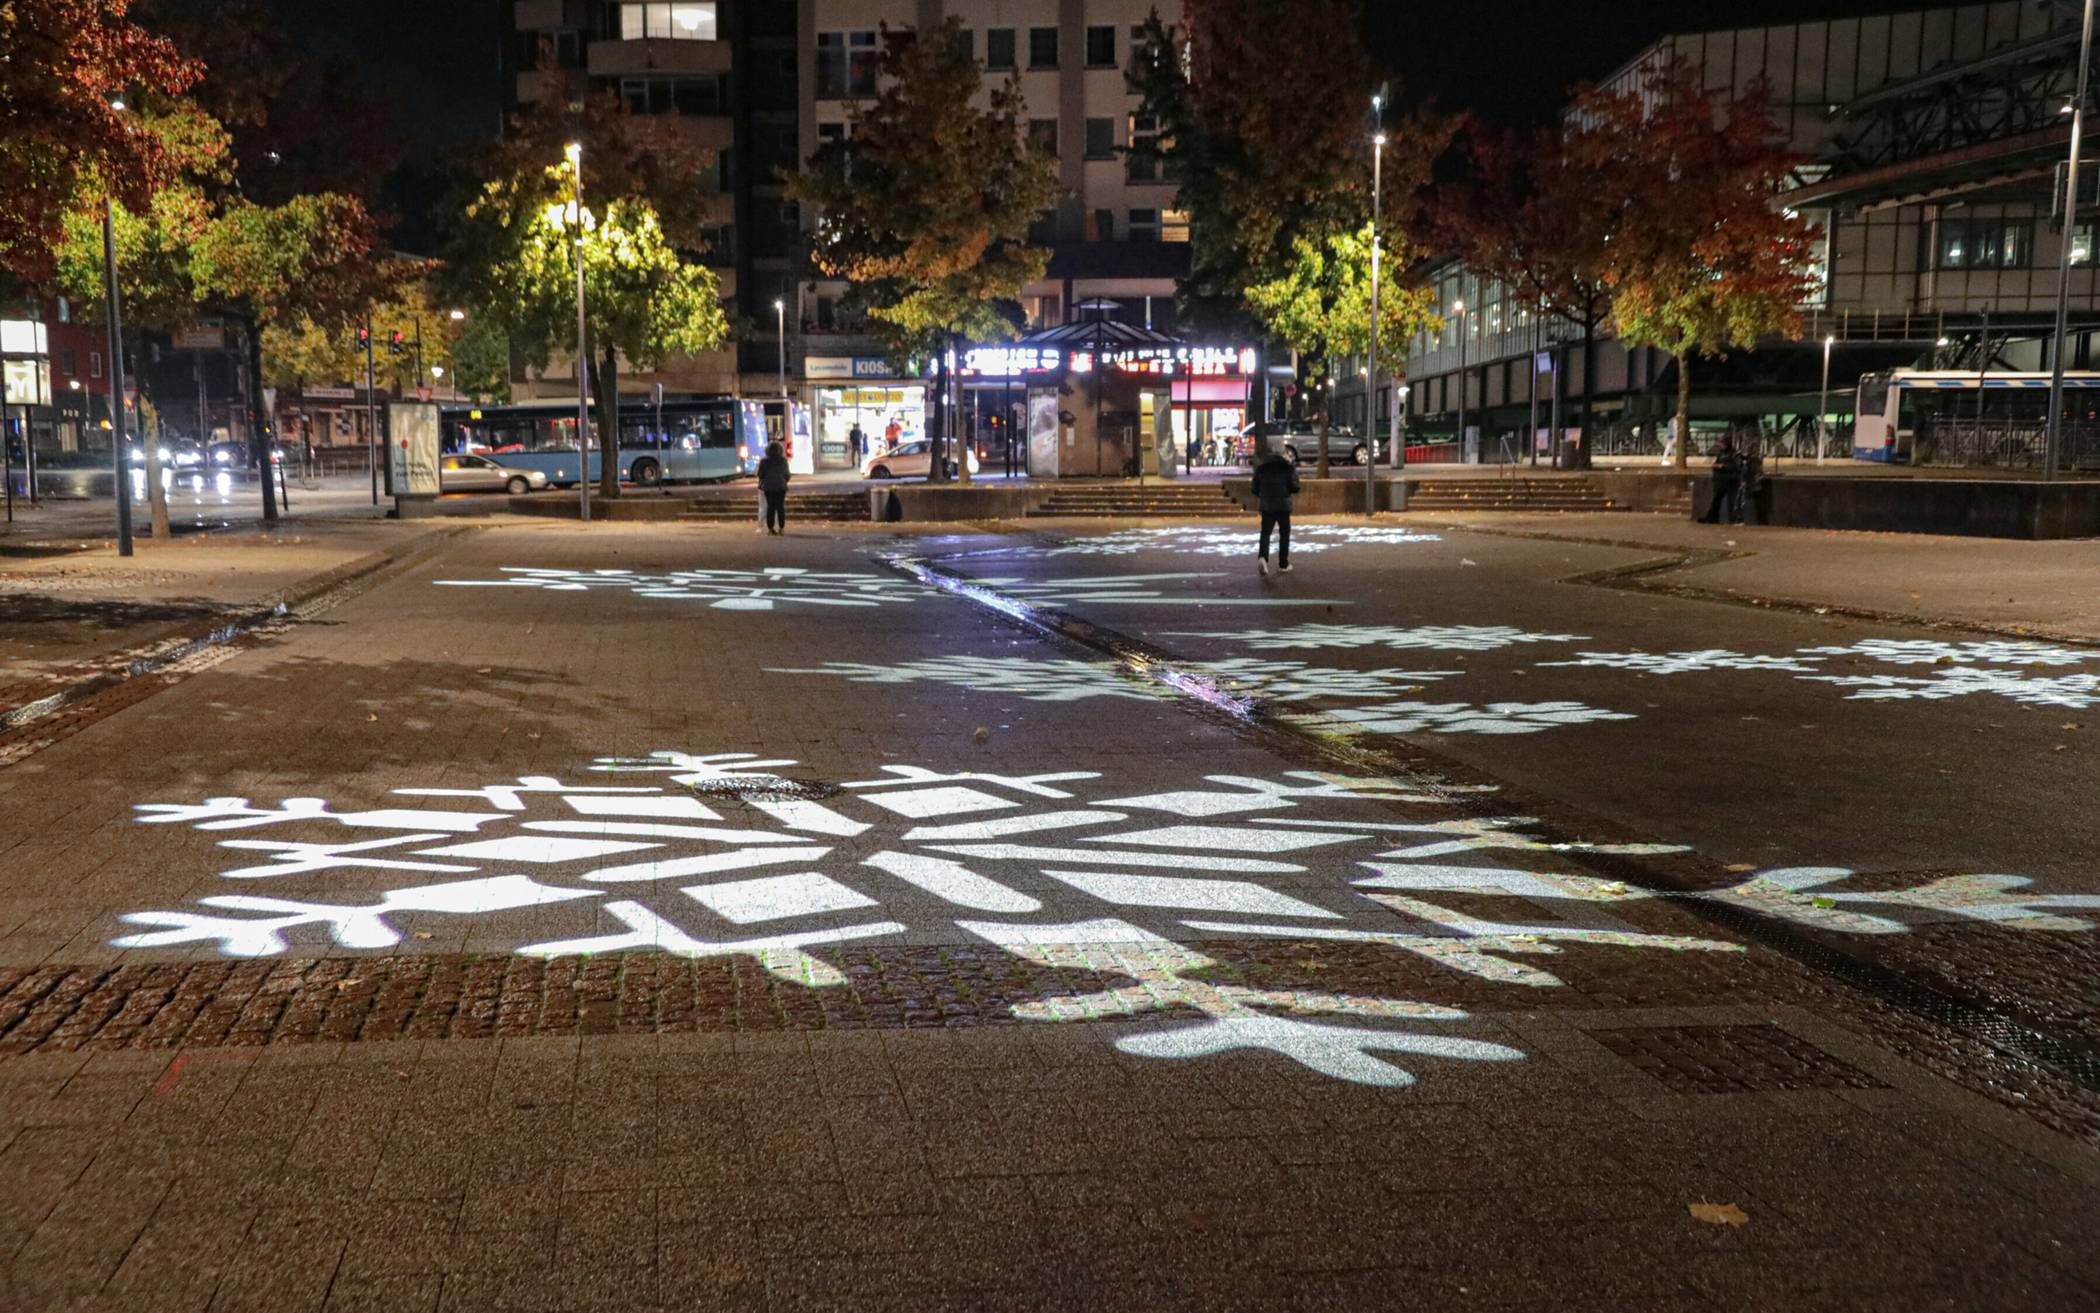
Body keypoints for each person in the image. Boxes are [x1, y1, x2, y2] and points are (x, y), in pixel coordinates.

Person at [1250, 440, 1300, 575]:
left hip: (1267, 505)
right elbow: (1295, 487)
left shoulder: (1262, 468)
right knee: (1284, 534)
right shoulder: (1288, 468)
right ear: (1283, 452)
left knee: (1265, 533)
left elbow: (1254, 488)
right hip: (1283, 506)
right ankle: (1283, 563)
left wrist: (1263, 494)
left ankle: (1263, 558)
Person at [1701, 436, 1741, 524]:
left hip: (1731, 480)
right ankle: (1712, 518)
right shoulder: (1721, 453)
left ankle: (1733, 519)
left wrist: (1722, 466)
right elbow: (1717, 463)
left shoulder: (1734, 454)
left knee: (1732, 501)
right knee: (1716, 500)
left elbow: (1736, 467)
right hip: (1720, 480)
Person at [756, 439, 790, 535]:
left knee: (771, 507)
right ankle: (781, 528)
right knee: (780, 507)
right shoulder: (783, 460)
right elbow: (787, 475)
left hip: (768, 487)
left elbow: (760, 474)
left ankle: (771, 528)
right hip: (781, 486)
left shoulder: (764, 461)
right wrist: (784, 480)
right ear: (780, 450)